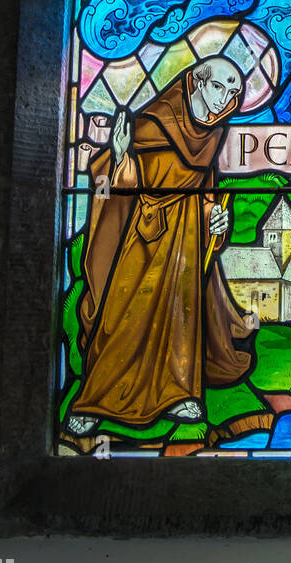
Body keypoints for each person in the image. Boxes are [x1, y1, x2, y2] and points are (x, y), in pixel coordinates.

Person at [66, 57, 256, 434]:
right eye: (219, 87)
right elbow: (116, 185)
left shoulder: (212, 137)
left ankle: (180, 393)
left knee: (181, 315)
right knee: (122, 313)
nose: (224, 100)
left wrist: (214, 218)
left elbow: (205, 194)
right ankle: (95, 399)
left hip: (184, 235)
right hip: (140, 232)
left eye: (233, 93)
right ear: (195, 83)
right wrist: (121, 156)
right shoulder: (152, 124)